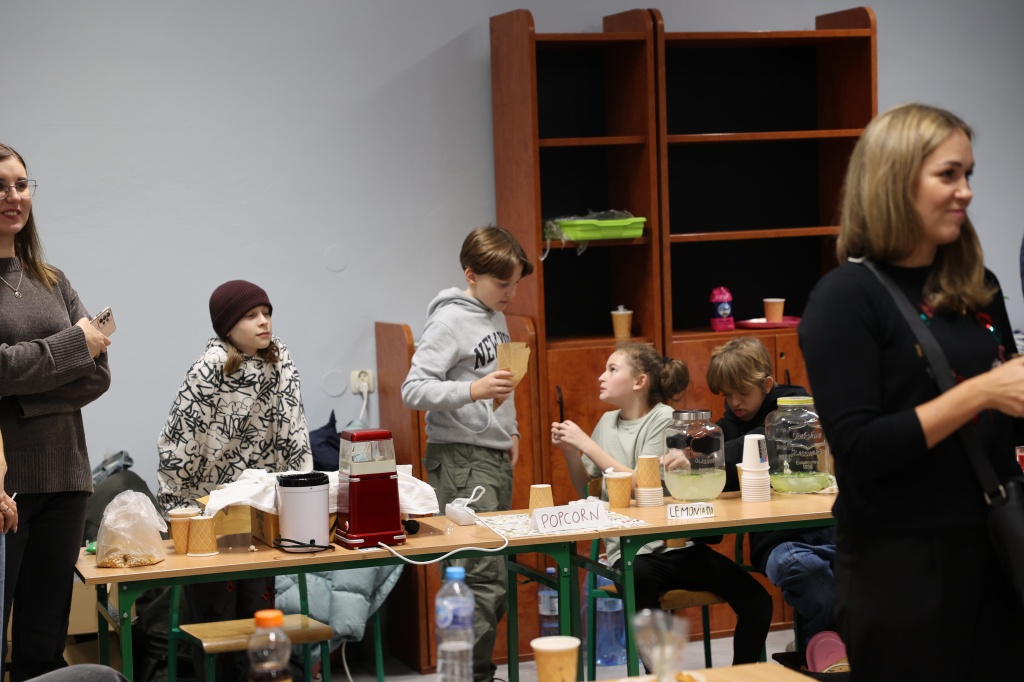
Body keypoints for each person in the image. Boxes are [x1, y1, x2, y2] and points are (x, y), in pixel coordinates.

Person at [799, 103, 1024, 678]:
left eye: (968, 174)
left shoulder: (978, 285)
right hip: (901, 569)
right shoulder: (846, 298)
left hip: (997, 546)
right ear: (896, 180)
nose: (965, 191)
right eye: (948, 174)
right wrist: (980, 393)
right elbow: (859, 448)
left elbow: (1009, 411)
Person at [551, 341, 773, 665]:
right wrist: (573, 452)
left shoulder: (665, 419)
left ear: (639, 381)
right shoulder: (606, 423)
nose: (602, 376)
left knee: (758, 602)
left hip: (678, 547)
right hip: (630, 554)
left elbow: (645, 482)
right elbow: (587, 487)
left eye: (612, 369)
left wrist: (586, 444)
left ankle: (740, 675)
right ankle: (662, 674)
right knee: (640, 588)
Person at [157, 279, 313, 681]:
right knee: (217, 619)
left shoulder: (280, 360)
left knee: (260, 610)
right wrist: (178, 514)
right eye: (251, 315)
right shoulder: (208, 368)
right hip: (209, 513)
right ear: (228, 326)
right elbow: (178, 444)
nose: (264, 322)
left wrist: (303, 500)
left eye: (267, 313)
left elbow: (295, 432)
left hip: (260, 510)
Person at [401, 226, 533, 682]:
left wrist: (510, 431)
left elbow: (502, 382)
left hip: (491, 455)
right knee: (478, 575)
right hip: (460, 458)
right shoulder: (449, 322)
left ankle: (473, 672)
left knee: (491, 573)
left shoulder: (496, 315)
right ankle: (469, 676)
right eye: (502, 284)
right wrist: (472, 390)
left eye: (515, 283)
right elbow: (413, 390)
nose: (511, 293)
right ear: (471, 275)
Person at [0, 143, 112, 681]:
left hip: (67, 477)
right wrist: (71, 347)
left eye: (21, 185)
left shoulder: (52, 279)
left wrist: (19, 394)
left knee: (44, 644)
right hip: (6, 488)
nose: (13, 196)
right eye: (0, 187)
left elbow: (99, 373)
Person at [706, 337, 835, 645]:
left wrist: (711, 455)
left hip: (824, 529)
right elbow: (718, 456)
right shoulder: (730, 423)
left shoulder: (796, 407)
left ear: (766, 384)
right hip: (777, 541)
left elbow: (759, 441)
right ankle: (820, 653)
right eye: (727, 394)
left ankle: (816, 650)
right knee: (812, 578)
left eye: (742, 392)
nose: (734, 402)